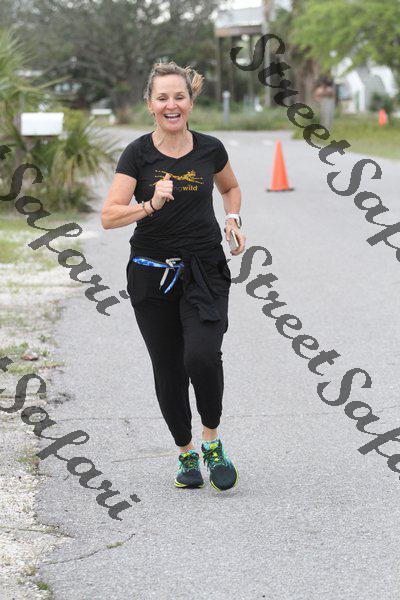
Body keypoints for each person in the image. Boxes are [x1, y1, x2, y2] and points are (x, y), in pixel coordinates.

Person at [101, 61, 246, 492]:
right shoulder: (137, 154)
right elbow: (109, 216)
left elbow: (230, 188)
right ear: (150, 105)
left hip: (204, 269)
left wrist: (233, 218)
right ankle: (185, 453)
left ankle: (211, 441)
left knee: (201, 355)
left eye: (179, 96)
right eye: (162, 97)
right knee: (168, 366)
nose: (171, 104)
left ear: (190, 101)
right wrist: (150, 204)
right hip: (151, 274)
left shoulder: (210, 149)